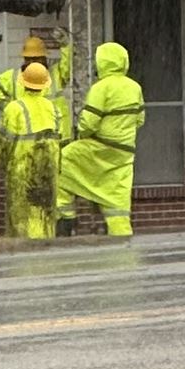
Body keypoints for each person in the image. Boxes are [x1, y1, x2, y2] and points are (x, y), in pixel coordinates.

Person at [57, 41, 143, 237]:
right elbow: (140, 119)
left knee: (60, 163)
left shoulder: (100, 88)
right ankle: (122, 241)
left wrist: (83, 136)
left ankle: (65, 220)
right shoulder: (134, 87)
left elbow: (88, 123)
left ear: (102, 62)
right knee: (116, 201)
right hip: (123, 154)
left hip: (98, 147)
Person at [0, 59, 66, 239]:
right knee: (45, 214)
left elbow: (4, 143)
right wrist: (58, 168)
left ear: (23, 82)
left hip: (22, 170)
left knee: (22, 217)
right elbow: (59, 141)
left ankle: (27, 260)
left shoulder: (14, 108)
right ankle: (45, 255)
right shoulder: (53, 109)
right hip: (48, 170)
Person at [0, 30, 71, 108]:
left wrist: (65, 45)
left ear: (44, 58)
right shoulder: (13, 77)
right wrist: (9, 107)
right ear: (25, 59)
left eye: (37, 58)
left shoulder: (56, 74)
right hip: (27, 124)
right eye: (30, 58)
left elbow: (68, 65)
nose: (33, 62)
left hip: (50, 124)